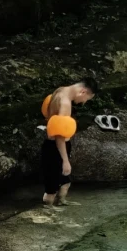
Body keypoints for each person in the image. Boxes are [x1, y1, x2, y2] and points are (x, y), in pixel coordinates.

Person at [39, 78, 97, 207]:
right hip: (56, 148)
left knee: (65, 181)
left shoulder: (60, 90)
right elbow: (59, 136)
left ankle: (62, 202)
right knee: (52, 187)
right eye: (87, 99)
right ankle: (48, 209)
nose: (84, 102)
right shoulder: (65, 103)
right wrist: (65, 161)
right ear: (83, 91)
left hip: (55, 146)